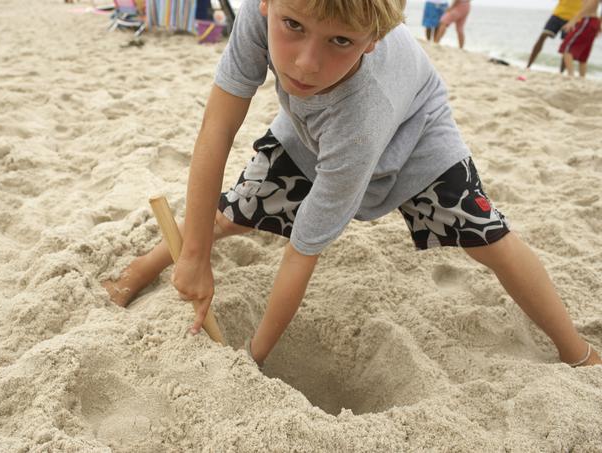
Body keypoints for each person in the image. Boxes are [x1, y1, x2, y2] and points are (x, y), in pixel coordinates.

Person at [103, 0, 601, 369]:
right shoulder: (263, 15)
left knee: (485, 237)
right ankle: (140, 269)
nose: (304, 63)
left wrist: (253, 358)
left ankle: (576, 351)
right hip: (311, 128)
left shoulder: (366, 109)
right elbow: (217, 127)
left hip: (415, 132)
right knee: (235, 210)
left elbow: (305, 249)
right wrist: (194, 258)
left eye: (340, 41)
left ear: (372, 40)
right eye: (292, 27)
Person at [526, 0, 583, 70]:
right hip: (557, 15)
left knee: (567, 46)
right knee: (543, 35)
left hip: (574, 19)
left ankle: (561, 72)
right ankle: (528, 66)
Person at [559, 0, 602, 77]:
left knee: (566, 47)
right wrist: (600, 22)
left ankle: (571, 75)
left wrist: (573, 21)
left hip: (587, 20)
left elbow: (589, 5)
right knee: (583, 53)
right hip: (593, 21)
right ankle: (582, 77)